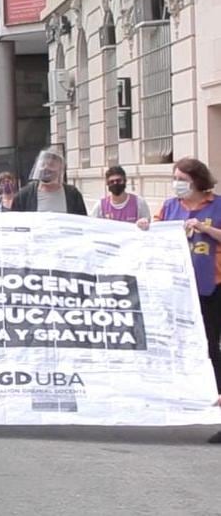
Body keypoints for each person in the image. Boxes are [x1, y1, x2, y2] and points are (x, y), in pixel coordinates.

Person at [138, 157, 221, 442]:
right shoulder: (171, 207)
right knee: (187, 346)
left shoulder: (217, 205)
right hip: (179, 289)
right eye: (175, 179)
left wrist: (206, 229)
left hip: (214, 285)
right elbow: (156, 231)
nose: (177, 184)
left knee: (212, 346)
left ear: (197, 181)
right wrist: (144, 227)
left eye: (182, 179)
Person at [10, 149, 86, 214]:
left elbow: (82, 222)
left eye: (51, 165)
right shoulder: (24, 195)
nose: (46, 168)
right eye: (43, 164)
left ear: (60, 170)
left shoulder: (73, 195)